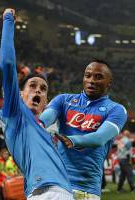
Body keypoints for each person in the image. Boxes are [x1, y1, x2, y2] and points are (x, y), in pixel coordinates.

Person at [0, 9, 73, 199]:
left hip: (63, 192)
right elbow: (7, 64)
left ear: (46, 102)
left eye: (43, 88)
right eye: (32, 86)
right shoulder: (16, 115)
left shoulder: (47, 131)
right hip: (44, 193)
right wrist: (8, 20)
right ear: (20, 94)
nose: (38, 90)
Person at [39, 59, 127, 200]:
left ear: (109, 83)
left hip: (85, 190)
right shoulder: (63, 100)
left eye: (98, 77)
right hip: (55, 184)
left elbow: (99, 138)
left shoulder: (116, 110)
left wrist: (71, 140)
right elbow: (43, 121)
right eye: (88, 75)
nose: (91, 80)